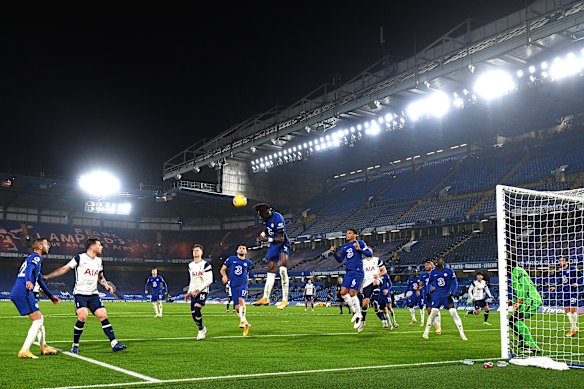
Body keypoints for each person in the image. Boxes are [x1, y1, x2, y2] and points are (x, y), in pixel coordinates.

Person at [43, 238, 127, 353]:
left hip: (93, 294)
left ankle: (114, 344)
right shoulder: (79, 258)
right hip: (80, 294)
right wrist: (48, 277)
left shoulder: (99, 261)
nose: (102, 247)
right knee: (82, 316)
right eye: (100, 245)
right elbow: (64, 268)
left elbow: (101, 277)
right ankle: (75, 344)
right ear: (93, 247)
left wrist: (106, 285)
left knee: (103, 315)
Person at [10, 238, 60, 358]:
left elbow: (40, 280)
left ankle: (44, 346)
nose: (49, 246)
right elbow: (29, 269)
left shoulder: (34, 259)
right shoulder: (36, 257)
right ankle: (24, 350)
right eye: (46, 244)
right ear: (40, 247)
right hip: (23, 292)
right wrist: (28, 280)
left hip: (21, 291)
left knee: (39, 318)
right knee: (37, 320)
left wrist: (50, 296)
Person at [330, 228, 372, 330]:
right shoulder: (344, 247)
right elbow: (340, 260)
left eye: (349, 233)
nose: (347, 235)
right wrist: (335, 253)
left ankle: (359, 315)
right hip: (349, 272)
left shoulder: (360, 243)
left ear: (355, 235)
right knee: (343, 292)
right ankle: (354, 311)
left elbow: (369, 254)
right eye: (346, 234)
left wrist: (359, 249)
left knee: (353, 293)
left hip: (357, 271)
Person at [252, 203, 291, 309]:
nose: (261, 217)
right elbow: (267, 228)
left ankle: (285, 300)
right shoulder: (266, 218)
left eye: (262, 215)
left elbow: (281, 238)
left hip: (283, 244)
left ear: (268, 211)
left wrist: (267, 239)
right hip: (273, 245)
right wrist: (263, 235)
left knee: (282, 269)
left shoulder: (278, 218)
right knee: (271, 269)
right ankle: (265, 298)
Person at [422, 257, 467, 341]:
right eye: (435, 261)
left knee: (453, 312)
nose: (436, 262)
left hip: (446, 296)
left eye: (438, 260)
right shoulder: (433, 272)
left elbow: (455, 283)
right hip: (437, 296)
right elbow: (429, 283)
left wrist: (452, 294)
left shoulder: (449, 271)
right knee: (433, 313)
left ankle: (462, 333)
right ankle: (425, 333)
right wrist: (429, 293)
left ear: (442, 261)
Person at [220, 244, 253, 336]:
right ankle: (246, 324)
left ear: (246, 251)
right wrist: (224, 276)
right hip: (233, 285)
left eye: (244, 248)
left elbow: (248, 272)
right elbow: (222, 269)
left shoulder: (249, 262)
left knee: (241, 300)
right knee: (237, 308)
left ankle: (242, 321)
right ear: (237, 251)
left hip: (243, 284)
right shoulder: (231, 259)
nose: (242, 250)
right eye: (240, 248)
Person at [510, 266, 542, 353]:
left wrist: (519, 300)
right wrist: (513, 301)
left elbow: (525, 286)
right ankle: (524, 342)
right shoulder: (515, 271)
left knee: (516, 320)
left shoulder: (517, 270)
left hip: (531, 299)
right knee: (512, 321)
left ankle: (532, 345)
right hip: (527, 299)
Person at [547, 257, 582, 337]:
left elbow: (581, 276)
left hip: (573, 292)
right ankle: (574, 327)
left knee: (573, 310)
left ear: (566, 261)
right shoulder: (560, 271)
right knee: (567, 310)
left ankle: (572, 329)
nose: (560, 262)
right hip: (565, 292)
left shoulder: (573, 269)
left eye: (562, 260)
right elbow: (559, 281)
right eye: (560, 261)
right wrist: (555, 287)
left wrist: (577, 283)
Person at [185, 243, 213, 340]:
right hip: (193, 291)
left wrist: (198, 289)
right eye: (194, 250)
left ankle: (201, 331)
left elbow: (210, 280)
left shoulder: (206, 264)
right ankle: (202, 328)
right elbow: (192, 280)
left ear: (201, 252)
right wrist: (189, 292)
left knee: (197, 309)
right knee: (193, 313)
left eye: (197, 250)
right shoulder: (191, 265)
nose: (195, 252)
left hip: (202, 291)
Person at [360, 254, 387, 332]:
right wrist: (361, 286)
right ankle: (363, 321)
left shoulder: (377, 260)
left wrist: (378, 274)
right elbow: (362, 275)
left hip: (376, 281)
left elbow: (384, 270)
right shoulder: (362, 262)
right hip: (366, 284)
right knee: (365, 304)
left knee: (375, 302)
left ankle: (383, 318)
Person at [419, 260, 441, 334]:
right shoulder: (423, 275)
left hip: (435, 294)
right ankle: (436, 325)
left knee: (435, 310)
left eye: (427, 265)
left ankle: (438, 326)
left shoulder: (436, 273)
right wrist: (418, 289)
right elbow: (421, 284)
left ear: (431, 265)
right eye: (425, 265)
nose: (426, 266)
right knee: (429, 311)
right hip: (426, 294)